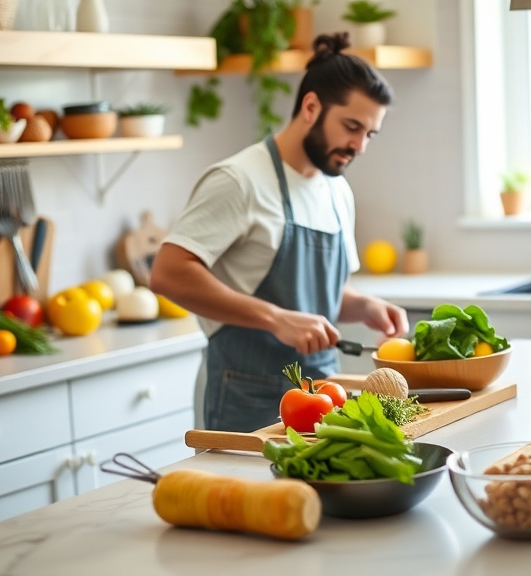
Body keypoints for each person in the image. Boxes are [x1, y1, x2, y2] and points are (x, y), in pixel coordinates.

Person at [150, 32, 408, 434]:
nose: (359, 145)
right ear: (310, 107)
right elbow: (167, 273)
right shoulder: (239, 181)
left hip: (324, 394)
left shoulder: (337, 190)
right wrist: (275, 319)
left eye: (369, 134)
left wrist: (364, 306)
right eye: (351, 127)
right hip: (246, 395)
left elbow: (314, 295)